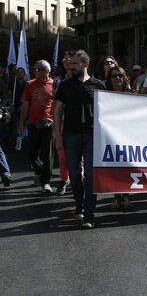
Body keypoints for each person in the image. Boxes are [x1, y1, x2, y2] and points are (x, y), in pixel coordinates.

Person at [53, 49, 106, 229]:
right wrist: (56, 135)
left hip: (92, 135)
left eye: (75, 63)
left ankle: (89, 215)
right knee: (75, 173)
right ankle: (79, 202)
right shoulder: (65, 86)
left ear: (86, 64)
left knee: (90, 175)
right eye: (70, 63)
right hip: (71, 135)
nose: (71, 66)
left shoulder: (98, 85)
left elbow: (110, 110)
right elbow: (57, 110)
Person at [18, 60, 55, 194]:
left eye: (37, 69)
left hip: (49, 123)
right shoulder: (30, 84)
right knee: (31, 153)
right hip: (33, 123)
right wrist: (21, 123)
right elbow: (25, 105)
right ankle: (38, 170)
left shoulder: (54, 84)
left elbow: (58, 105)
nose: (34, 71)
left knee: (48, 154)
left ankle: (46, 182)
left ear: (46, 71)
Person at [105, 65, 135, 210]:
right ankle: (117, 196)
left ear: (124, 78)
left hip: (128, 135)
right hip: (110, 136)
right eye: (114, 76)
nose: (117, 79)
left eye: (120, 75)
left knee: (127, 166)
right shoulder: (103, 96)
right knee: (114, 167)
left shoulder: (131, 95)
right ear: (109, 79)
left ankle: (127, 195)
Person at [52, 51, 74, 196]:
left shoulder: (85, 79)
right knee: (62, 153)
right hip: (63, 121)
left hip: (80, 122)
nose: (66, 61)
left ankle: (80, 178)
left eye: (69, 59)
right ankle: (64, 179)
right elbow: (55, 105)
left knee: (79, 155)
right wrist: (55, 127)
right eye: (64, 59)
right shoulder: (58, 81)